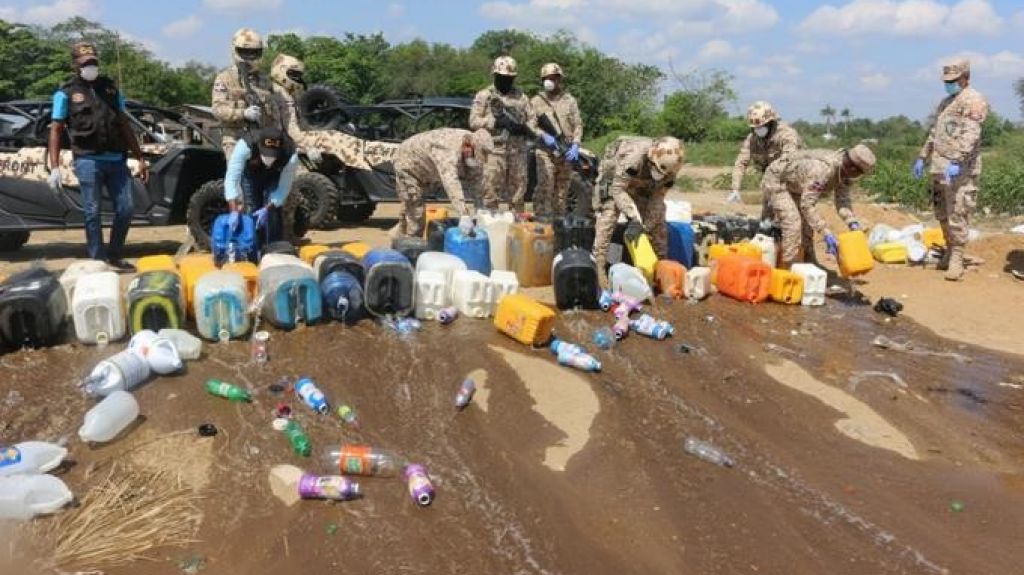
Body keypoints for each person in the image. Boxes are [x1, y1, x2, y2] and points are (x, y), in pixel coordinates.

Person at [46, 41, 149, 271]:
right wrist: (54, 167)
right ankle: (97, 260)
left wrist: (140, 156)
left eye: (93, 62)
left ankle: (114, 255)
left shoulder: (111, 89)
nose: (90, 67)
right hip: (87, 160)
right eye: (85, 64)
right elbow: (56, 129)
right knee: (92, 211)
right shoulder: (65, 93)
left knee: (126, 208)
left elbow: (123, 123)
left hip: (116, 159)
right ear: (76, 65)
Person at [913, 58, 988, 281]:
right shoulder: (946, 103)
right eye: (947, 80)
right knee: (942, 213)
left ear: (966, 78)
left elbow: (971, 134)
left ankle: (957, 257)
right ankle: (948, 249)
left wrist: (958, 160)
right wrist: (922, 156)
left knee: (958, 213)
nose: (949, 84)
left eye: (954, 80)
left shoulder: (974, 100)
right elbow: (935, 133)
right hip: (939, 167)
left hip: (961, 170)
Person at [760, 145, 875, 269]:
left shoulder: (844, 172)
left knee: (808, 227)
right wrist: (826, 233)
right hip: (778, 181)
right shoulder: (822, 170)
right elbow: (807, 205)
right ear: (853, 168)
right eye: (859, 172)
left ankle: (809, 262)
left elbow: (842, 201)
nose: (857, 176)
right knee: (793, 223)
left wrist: (852, 223)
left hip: (797, 184)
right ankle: (789, 268)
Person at [592, 136, 684, 285]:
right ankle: (599, 268)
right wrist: (634, 217)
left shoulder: (671, 168)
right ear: (651, 158)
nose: (662, 175)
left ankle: (661, 269)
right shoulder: (634, 157)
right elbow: (618, 189)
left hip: (642, 182)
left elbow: (657, 199)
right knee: (608, 217)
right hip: (617, 178)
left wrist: (644, 226)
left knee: (658, 219)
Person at [470, 56, 550, 213]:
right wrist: (495, 122)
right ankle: (489, 227)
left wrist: (522, 127)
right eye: (502, 77)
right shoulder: (484, 96)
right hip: (493, 153)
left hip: (517, 152)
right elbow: (473, 121)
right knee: (489, 192)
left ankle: (516, 229)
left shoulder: (521, 97)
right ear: (495, 75)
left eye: (509, 78)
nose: (505, 80)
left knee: (518, 194)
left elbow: (532, 120)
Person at [391, 128, 493, 238]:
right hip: (407, 163)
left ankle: (399, 237)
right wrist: (464, 214)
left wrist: (480, 209)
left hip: (427, 169)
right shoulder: (448, 149)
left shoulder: (471, 147)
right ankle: (411, 245)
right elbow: (451, 182)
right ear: (468, 145)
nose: (474, 157)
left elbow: (477, 180)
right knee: (415, 210)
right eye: (475, 153)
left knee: (408, 206)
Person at [211, 28, 285, 160]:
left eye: (254, 52)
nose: (250, 57)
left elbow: (276, 114)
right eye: (245, 52)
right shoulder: (225, 78)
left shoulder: (265, 81)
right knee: (237, 176)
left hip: (263, 140)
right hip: (235, 138)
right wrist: (243, 114)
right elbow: (218, 109)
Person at [223, 127, 298, 249]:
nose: (269, 160)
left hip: (275, 175)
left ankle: (275, 247)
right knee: (251, 208)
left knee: (273, 211)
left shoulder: (290, 154)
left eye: (273, 156)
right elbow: (231, 179)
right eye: (266, 154)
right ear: (259, 146)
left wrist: (268, 208)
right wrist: (234, 210)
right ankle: (252, 247)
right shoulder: (245, 145)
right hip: (250, 175)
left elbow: (283, 189)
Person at [530, 62, 583, 219]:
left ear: (560, 79)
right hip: (545, 151)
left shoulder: (569, 101)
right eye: (548, 78)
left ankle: (558, 221)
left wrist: (575, 144)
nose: (551, 81)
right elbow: (530, 125)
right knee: (545, 186)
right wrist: (543, 135)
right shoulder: (536, 101)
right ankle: (542, 220)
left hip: (565, 149)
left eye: (554, 78)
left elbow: (578, 124)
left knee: (562, 190)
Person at [730, 100, 803, 203]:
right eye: (755, 127)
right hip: (771, 183)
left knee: (790, 215)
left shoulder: (787, 135)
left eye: (761, 126)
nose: (758, 129)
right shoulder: (753, 139)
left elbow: (790, 161)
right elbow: (741, 163)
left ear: (770, 123)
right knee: (767, 216)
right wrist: (735, 188)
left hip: (794, 180)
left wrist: (773, 183)